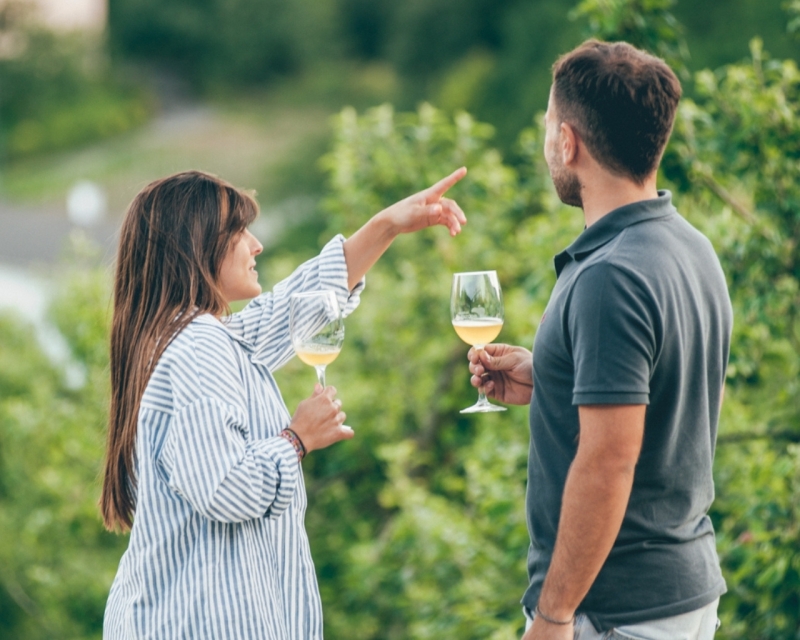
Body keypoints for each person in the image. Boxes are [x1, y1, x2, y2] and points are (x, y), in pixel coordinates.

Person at [101, 167, 467, 639]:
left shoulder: (195, 338)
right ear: (197, 246)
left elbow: (291, 309)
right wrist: (297, 439)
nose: (257, 246)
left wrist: (386, 226)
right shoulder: (196, 347)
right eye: (240, 232)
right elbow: (224, 488)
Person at [468, 40, 732, 639]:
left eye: (546, 128)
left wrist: (555, 614)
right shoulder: (689, 246)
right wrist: (554, 379)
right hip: (679, 592)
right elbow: (662, 397)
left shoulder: (609, 275)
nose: (546, 145)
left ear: (569, 142)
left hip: (614, 611)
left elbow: (610, 460)